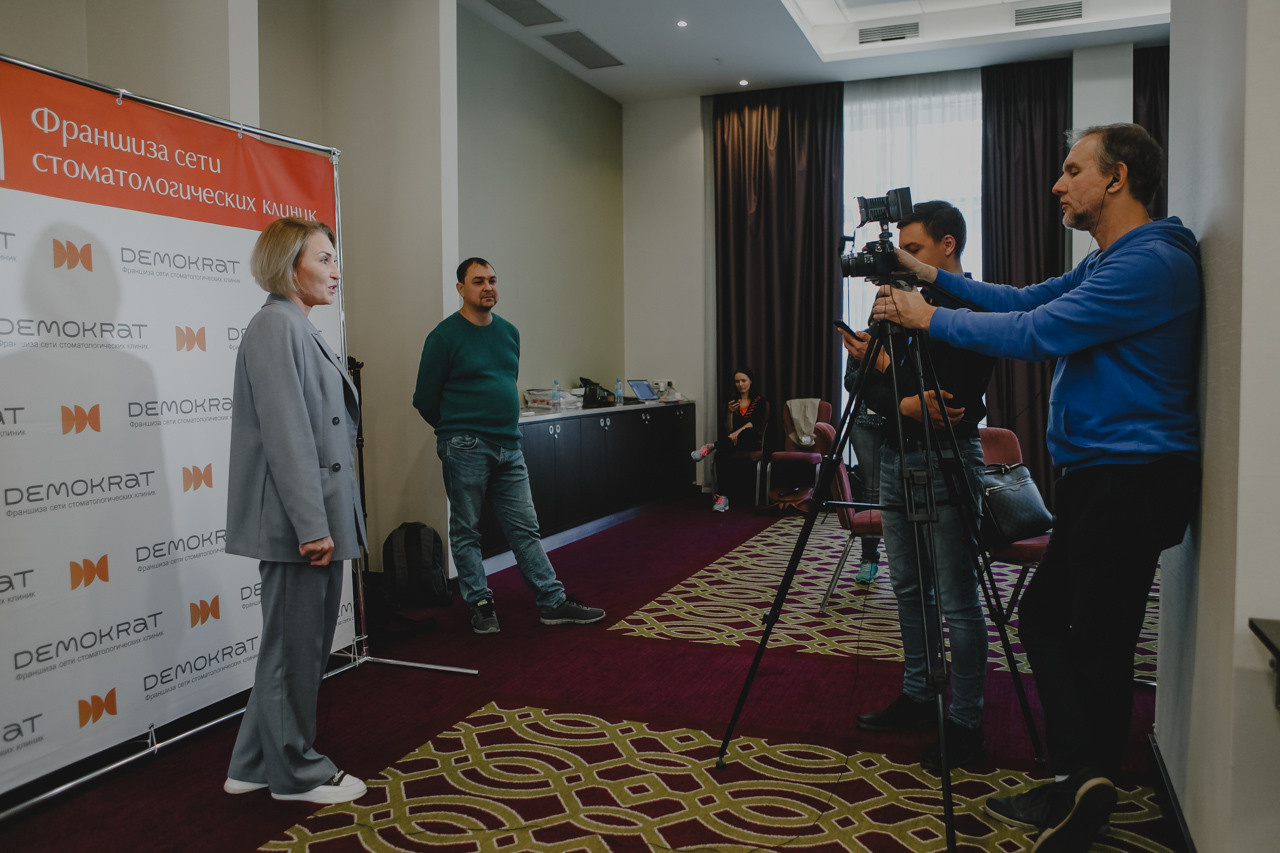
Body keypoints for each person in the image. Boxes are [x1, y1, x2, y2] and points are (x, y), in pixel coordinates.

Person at [872, 124, 1200, 852]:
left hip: (1131, 475)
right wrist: (925, 275)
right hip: (1109, 474)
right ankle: (1085, 780)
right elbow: (1017, 295)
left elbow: (1034, 329)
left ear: (1115, 180)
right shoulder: (1114, 258)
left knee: (1071, 627)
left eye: (1072, 169)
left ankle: (1085, 782)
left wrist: (929, 317)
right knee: (1078, 630)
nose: (1058, 183)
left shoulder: (1148, 263)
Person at [845, 201, 994, 774]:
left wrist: (891, 385)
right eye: (898, 248)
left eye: (914, 248)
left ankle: (967, 723)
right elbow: (857, 380)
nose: (901, 259)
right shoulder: (895, 301)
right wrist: (897, 393)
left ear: (948, 246)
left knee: (957, 599)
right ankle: (917, 693)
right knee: (907, 585)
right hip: (894, 457)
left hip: (947, 458)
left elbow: (952, 400)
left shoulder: (968, 303)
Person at [223, 218, 368, 804]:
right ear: (290, 264)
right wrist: (314, 526)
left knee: (290, 646)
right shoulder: (274, 327)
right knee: (295, 650)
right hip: (299, 525)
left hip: (312, 521)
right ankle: (295, 774)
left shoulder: (294, 326)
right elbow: (288, 438)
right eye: (324, 259)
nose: (335, 271)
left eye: (335, 259)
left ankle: (254, 763)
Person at [413, 257, 605, 635]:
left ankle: (553, 602)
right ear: (460, 289)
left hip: (509, 446)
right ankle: (481, 604)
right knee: (467, 530)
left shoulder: (510, 333)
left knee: (525, 529)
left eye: (493, 280)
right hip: (466, 445)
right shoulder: (443, 337)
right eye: (478, 281)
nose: (488, 287)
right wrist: (454, 431)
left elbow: (506, 380)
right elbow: (425, 398)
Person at [691, 368, 768, 511]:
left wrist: (736, 433)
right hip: (733, 442)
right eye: (737, 381)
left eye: (743, 380)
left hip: (751, 440)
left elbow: (753, 424)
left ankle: (711, 446)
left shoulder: (759, 400)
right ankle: (722, 498)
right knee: (721, 454)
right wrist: (730, 413)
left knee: (747, 432)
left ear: (750, 381)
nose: (741, 384)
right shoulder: (732, 401)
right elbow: (729, 428)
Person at [842, 352, 885, 582]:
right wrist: (869, 362)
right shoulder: (860, 343)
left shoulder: (907, 342)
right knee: (872, 490)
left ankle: (912, 564)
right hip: (863, 425)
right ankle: (869, 559)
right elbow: (849, 383)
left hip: (900, 423)